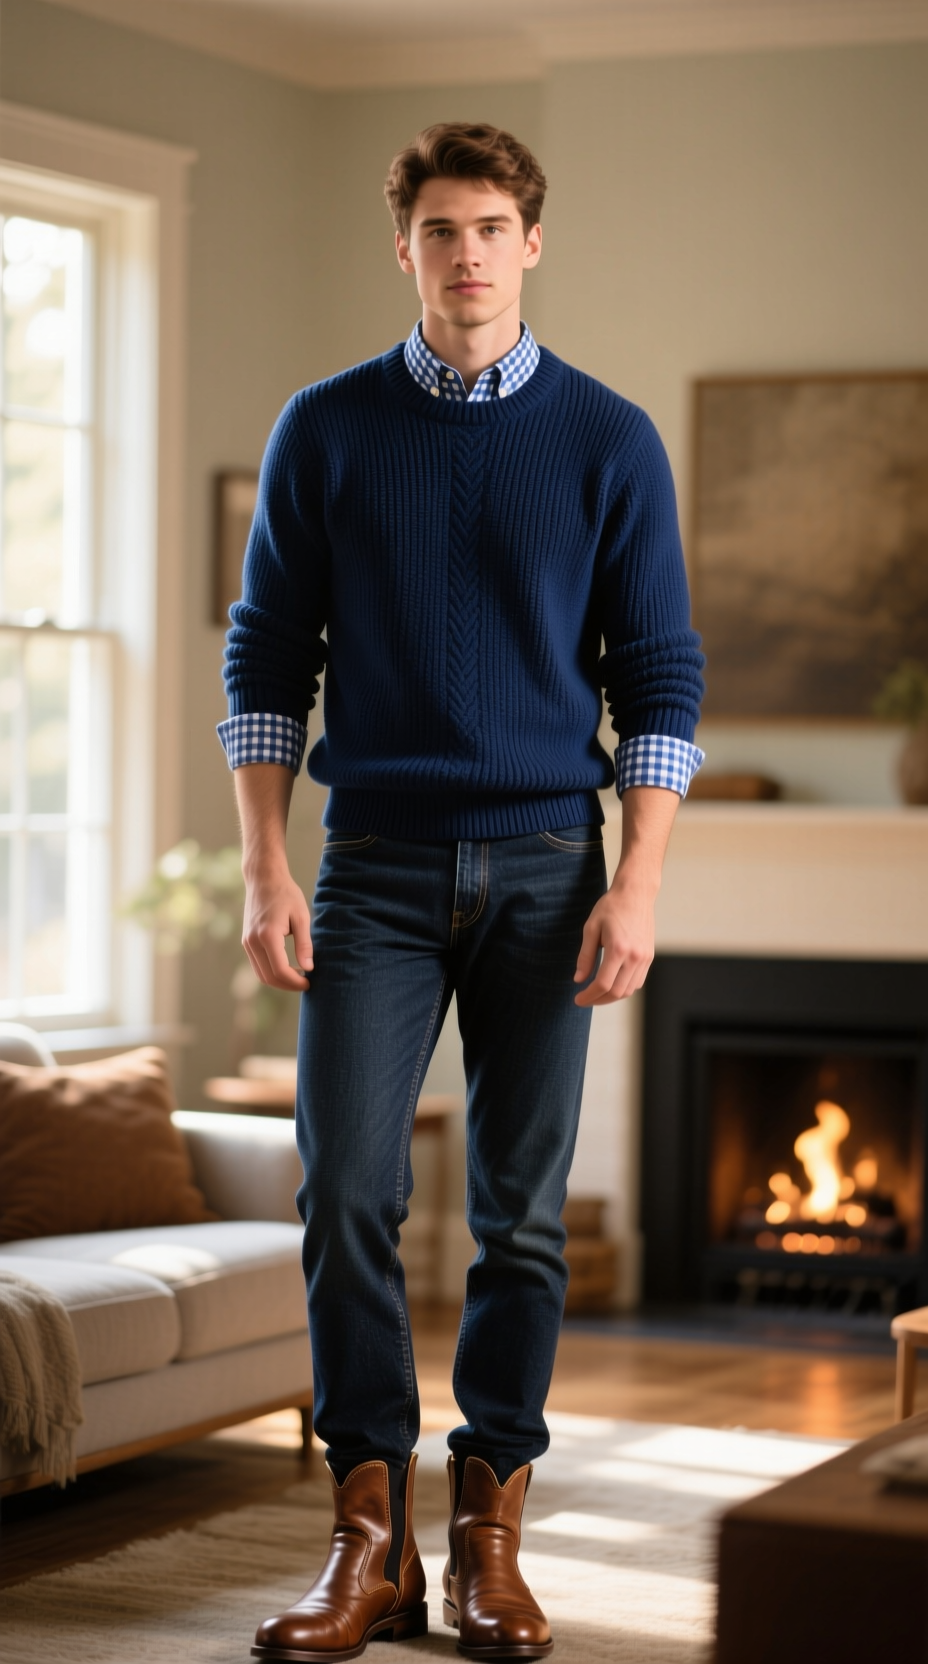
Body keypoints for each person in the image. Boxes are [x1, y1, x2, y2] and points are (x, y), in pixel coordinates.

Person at [219, 122, 705, 1663]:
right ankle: (370, 1541)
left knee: (519, 1217)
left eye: (493, 227)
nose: (469, 254)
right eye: (442, 230)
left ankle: (492, 1534)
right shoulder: (326, 427)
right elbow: (264, 655)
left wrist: (639, 883)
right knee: (346, 1193)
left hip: (554, 869)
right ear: (406, 248)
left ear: (532, 242)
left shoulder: (610, 438)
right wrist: (263, 863)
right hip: (370, 866)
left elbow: (661, 675)